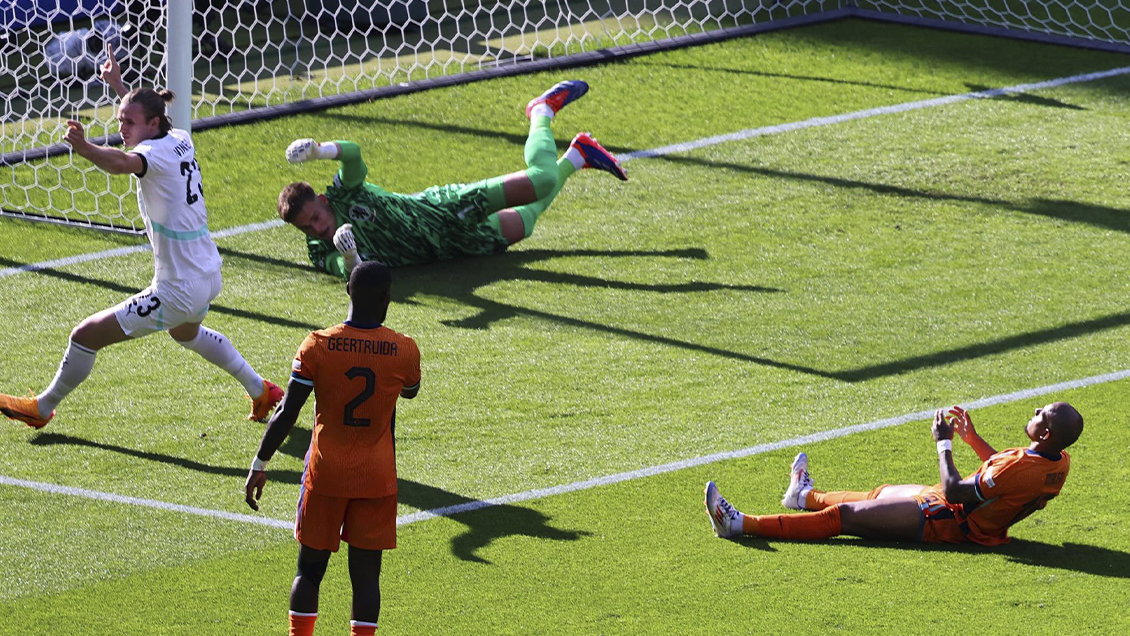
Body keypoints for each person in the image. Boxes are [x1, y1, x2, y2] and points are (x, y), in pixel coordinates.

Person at [0, 46, 283, 429]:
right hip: (207, 273)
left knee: (84, 335)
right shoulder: (178, 136)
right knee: (186, 333)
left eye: (128, 123)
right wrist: (120, 87)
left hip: (178, 287)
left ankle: (43, 407)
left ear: (152, 124)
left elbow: (120, 162)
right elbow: (142, 123)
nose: (122, 129)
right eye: (120, 121)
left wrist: (83, 147)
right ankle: (261, 390)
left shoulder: (151, 154)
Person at [277, 79, 628, 279]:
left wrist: (320, 151)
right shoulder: (319, 250)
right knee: (525, 225)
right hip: (450, 248)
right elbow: (349, 273)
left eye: (316, 219)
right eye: (307, 228)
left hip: (445, 208)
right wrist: (351, 256)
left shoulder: (344, 192)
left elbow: (353, 152)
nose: (318, 229)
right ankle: (578, 155)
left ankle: (541, 111)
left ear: (322, 201)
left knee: (541, 182)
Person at [244, 261, 420, 636]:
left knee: (309, 570)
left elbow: (287, 413)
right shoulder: (404, 349)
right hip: (376, 477)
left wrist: (260, 462)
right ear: (388, 297)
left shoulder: (317, 345)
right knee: (367, 577)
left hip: (325, 474)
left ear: (347, 292)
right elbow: (411, 389)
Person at [704, 402, 1082, 545]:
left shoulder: (1023, 464)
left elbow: (954, 491)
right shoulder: (1057, 460)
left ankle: (740, 524)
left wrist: (944, 443)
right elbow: (1008, 476)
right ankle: (802, 497)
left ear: (1045, 434)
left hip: (949, 519)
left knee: (846, 518)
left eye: (1041, 415)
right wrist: (975, 440)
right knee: (879, 494)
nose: (1034, 411)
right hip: (962, 512)